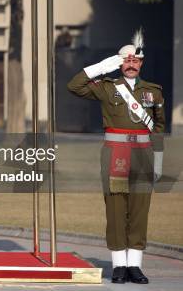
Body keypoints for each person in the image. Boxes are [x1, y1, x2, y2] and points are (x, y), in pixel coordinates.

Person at [67, 29, 164, 284]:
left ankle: (135, 266)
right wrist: (100, 68)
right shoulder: (108, 88)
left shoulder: (153, 91)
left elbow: (159, 128)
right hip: (115, 155)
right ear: (120, 62)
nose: (131, 65)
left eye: (135, 61)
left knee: (140, 210)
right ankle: (119, 266)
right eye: (126, 60)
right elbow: (74, 86)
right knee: (116, 210)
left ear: (141, 63)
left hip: (143, 155)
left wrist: (160, 161)